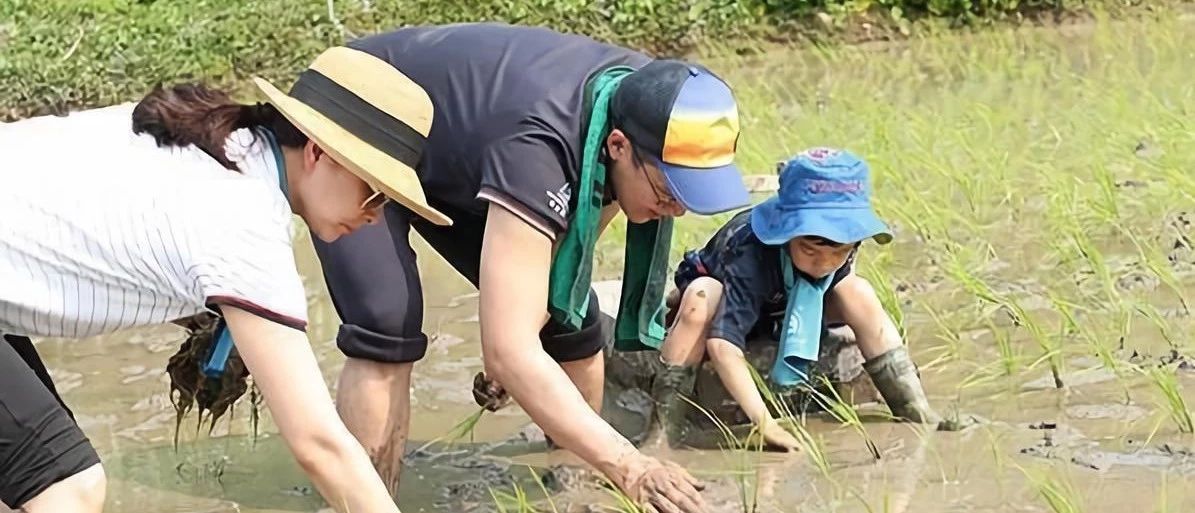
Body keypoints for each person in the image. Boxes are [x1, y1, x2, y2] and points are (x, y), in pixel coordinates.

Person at [308, 22, 750, 512]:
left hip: (461, 146)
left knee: (571, 322)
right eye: (669, 192)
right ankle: (366, 503)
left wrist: (518, 342)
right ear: (618, 147)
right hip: (360, 114)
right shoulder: (541, 146)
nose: (677, 212)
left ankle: (573, 494)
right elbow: (510, 352)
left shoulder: (646, 101)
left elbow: (567, 262)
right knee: (386, 322)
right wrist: (631, 464)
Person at [0, 46, 439, 513]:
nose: (375, 218)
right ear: (317, 152)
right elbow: (320, 445)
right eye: (374, 193)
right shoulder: (245, 224)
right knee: (67, 489)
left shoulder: (220, 143)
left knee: (28, 479)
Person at [642, 148, 945, 451]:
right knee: (700, 297)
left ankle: (914, 410)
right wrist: (765, 423)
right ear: (785, 234)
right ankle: (663, 432)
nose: (824, 264)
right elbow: (722, 345)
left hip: (788, 303)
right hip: (731, 297)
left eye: (839, 252)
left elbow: (847, 287)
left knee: (859, 291)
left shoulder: (841, 251)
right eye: (811, 250)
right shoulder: (750, 253)